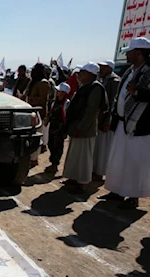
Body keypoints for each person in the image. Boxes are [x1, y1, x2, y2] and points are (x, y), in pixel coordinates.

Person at [103, 37, 150, 209]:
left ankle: (133, 196)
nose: (126, 55)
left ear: (138, 53)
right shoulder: (131, 71)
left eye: (129, 52)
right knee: (118, 160)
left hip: (138, 126)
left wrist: (138, 92)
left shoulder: (148, 72)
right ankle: (116, 191)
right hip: (123, 124)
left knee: (135, 162)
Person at [62, 62, 107, 194]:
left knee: (84, 157)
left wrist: (81, 128)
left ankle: (82, 183)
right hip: (77, 126)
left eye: (82, 72)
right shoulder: (85, 86)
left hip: (85, 129)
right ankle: (74, 179)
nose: (79, 74)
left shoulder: (95, 88)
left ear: (89, 74)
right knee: (75, 154)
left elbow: (91, 111)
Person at [92, 60, 121, 181]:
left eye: (102, 67)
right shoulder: (103, 80)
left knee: (103, 148)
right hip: (100, 118)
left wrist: (107, 121)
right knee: (97, 147)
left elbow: (112, 103)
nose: (100, 70)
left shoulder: (114, 82)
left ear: (109, 68)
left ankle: (99, 172)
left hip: (106, 121)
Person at [25, 63, 51, 167]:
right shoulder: (33, 82)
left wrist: (30, 99)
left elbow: (43, 100)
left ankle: (34, 159)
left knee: (36, 137)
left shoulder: (43, 83)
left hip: (38, 113)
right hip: (30, 112)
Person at [45, 82, 71, 174]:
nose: (57, 92)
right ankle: (52, 162)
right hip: (53, 127)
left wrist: (65, 130)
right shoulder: (54, 102)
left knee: (58, 146)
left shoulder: (66, 104)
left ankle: (55, 164)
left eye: (59, 91)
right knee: (51, 144)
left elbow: (68, 117)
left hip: (60, 129)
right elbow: (50, 113)